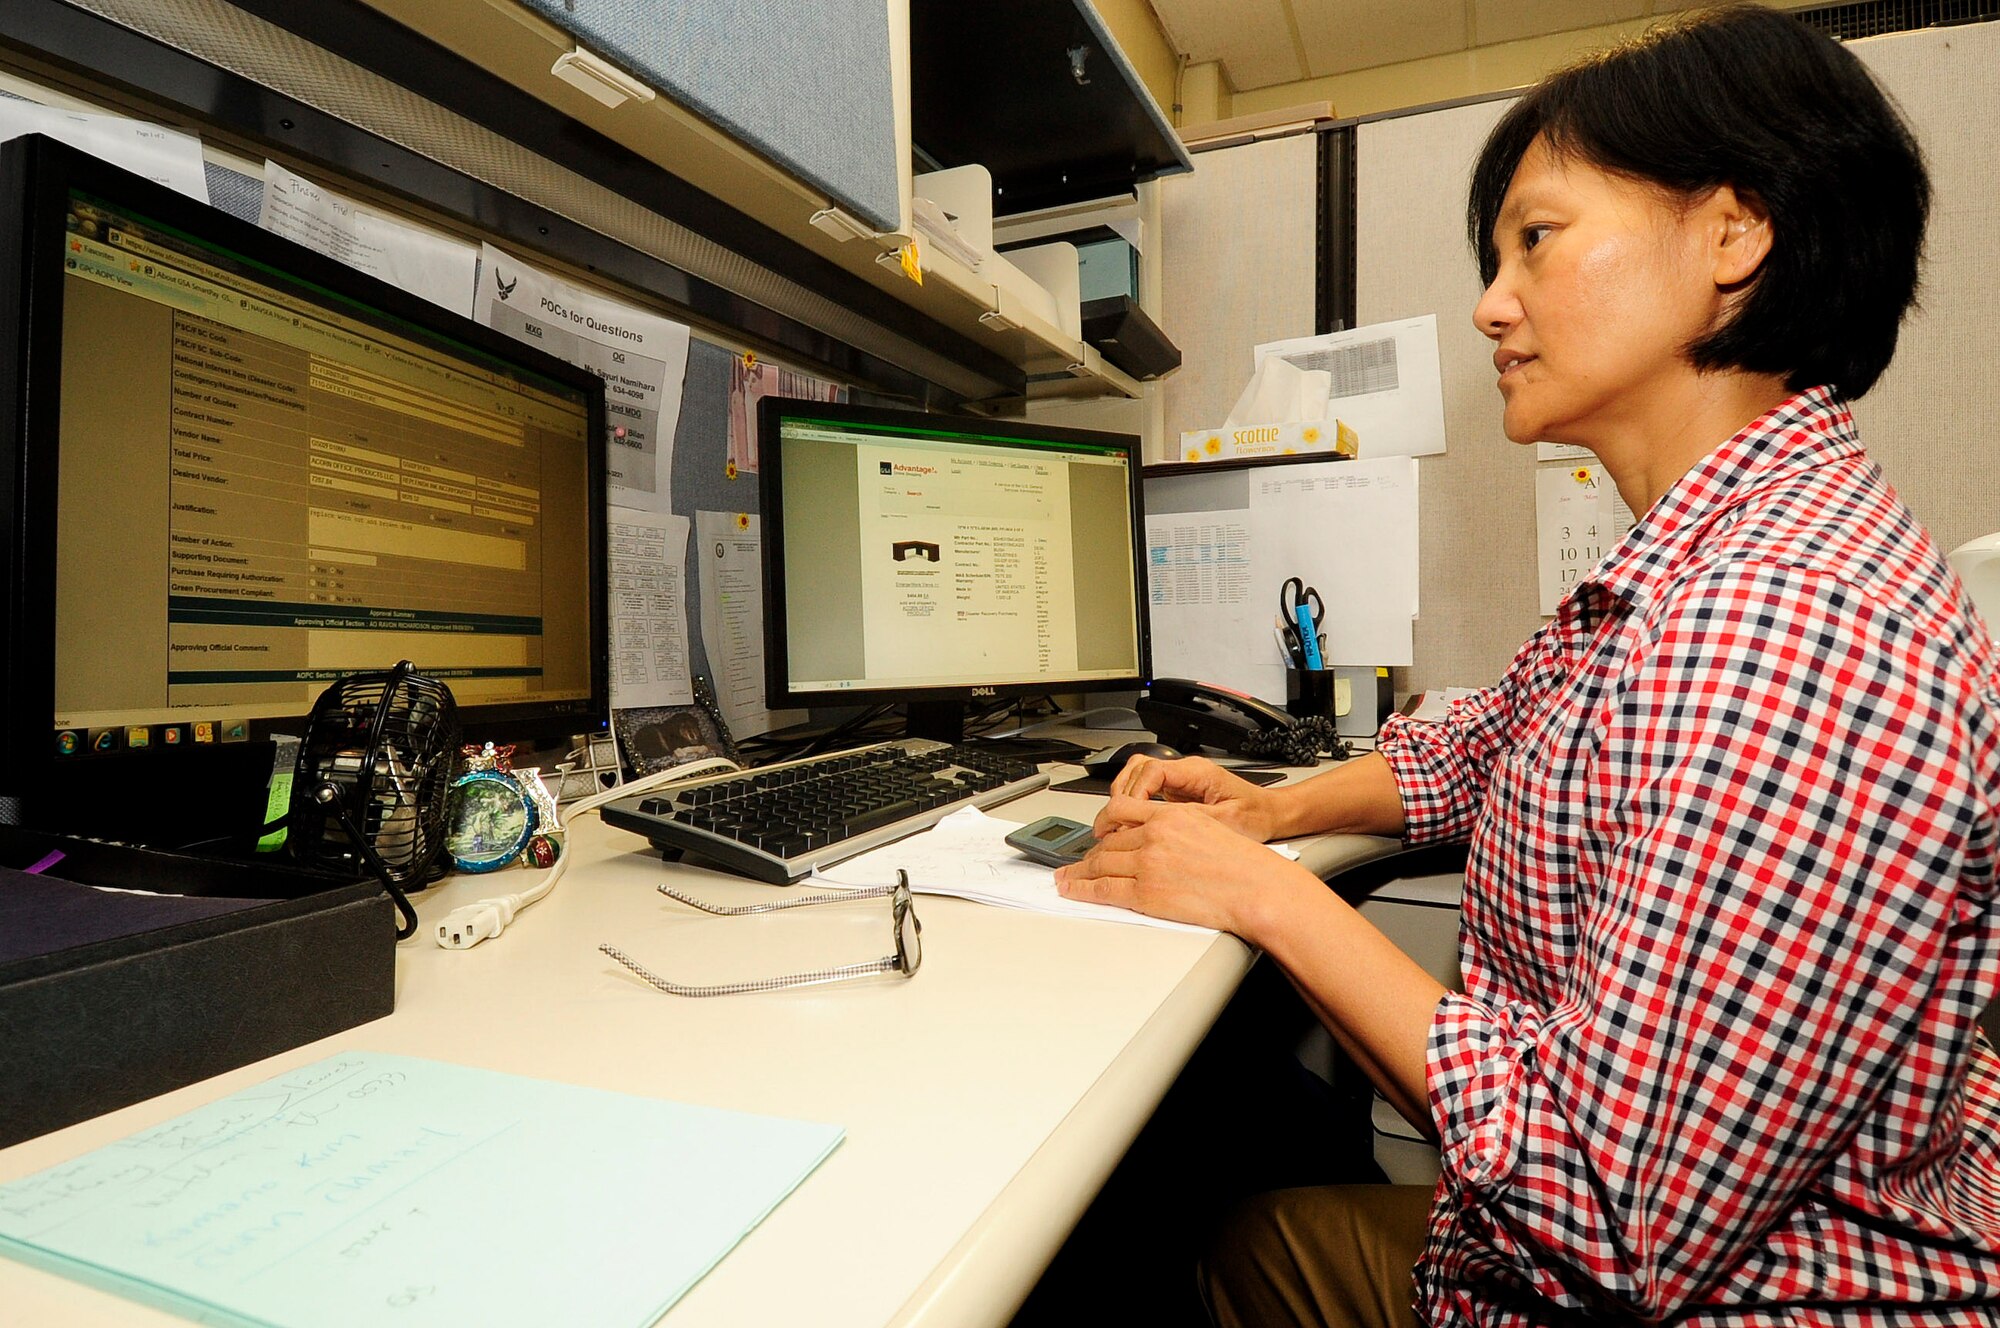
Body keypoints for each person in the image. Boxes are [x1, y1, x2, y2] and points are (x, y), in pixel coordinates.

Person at [1055, 6, 2000, 1324]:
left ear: (1734, 233)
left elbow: (1619, 1210)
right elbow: (1490, 743)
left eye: (1536, 242)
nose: (1492, 304)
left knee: (1189, 1228)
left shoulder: (1787, 625)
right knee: (1243, 1220)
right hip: (1588, 1236)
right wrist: (1275, 810)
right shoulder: (1688, 566)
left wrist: (1270, 901)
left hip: (1757, 1292)